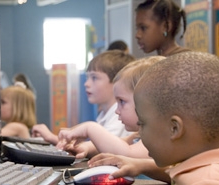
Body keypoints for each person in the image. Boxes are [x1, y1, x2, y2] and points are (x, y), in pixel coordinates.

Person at [132, 52, 219, 184]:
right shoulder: (200, 169)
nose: (139, 132)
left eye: (142, 123)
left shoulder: (206, 180)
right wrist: (140, 166)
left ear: (174, 128)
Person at [57, 56, 166, 160]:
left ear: (149, 102)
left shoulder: (159, 137)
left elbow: (128, 153)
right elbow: (117, 144)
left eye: (122, 101)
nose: (116, 111)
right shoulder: (138, 135)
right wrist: (86, 147)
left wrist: (90, 128)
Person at [32, 50, 135, 145]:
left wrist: (51, 137)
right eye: (87, 78)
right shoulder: (105, 114)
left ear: (117, 82)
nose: (86, 84)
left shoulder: (120, 116)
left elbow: (103, 147)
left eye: (94, 78)